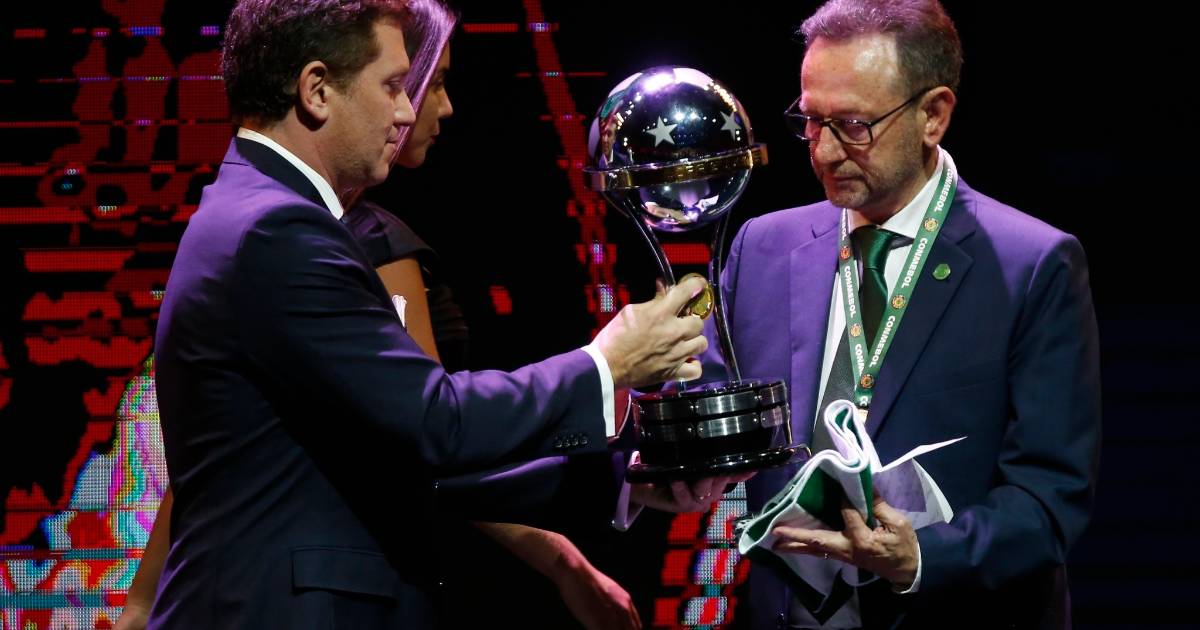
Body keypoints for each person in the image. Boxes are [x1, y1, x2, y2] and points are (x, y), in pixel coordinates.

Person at [146, 1, 720, 627]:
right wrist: (604, 364)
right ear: (317, 90)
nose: (407, 109)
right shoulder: (278, 231)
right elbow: (433, 424)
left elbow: (389, 459)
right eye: (394, 84)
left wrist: (622, 477)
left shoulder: (260, 212)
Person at [700, 1, 1101, 627]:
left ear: (933, 115)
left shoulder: (1030, 266)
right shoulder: (762, 248)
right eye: (811, 121)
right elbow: (705, 417)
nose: (824, 151)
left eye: (853, 125)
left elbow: (1051, 499)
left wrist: (920, 558)